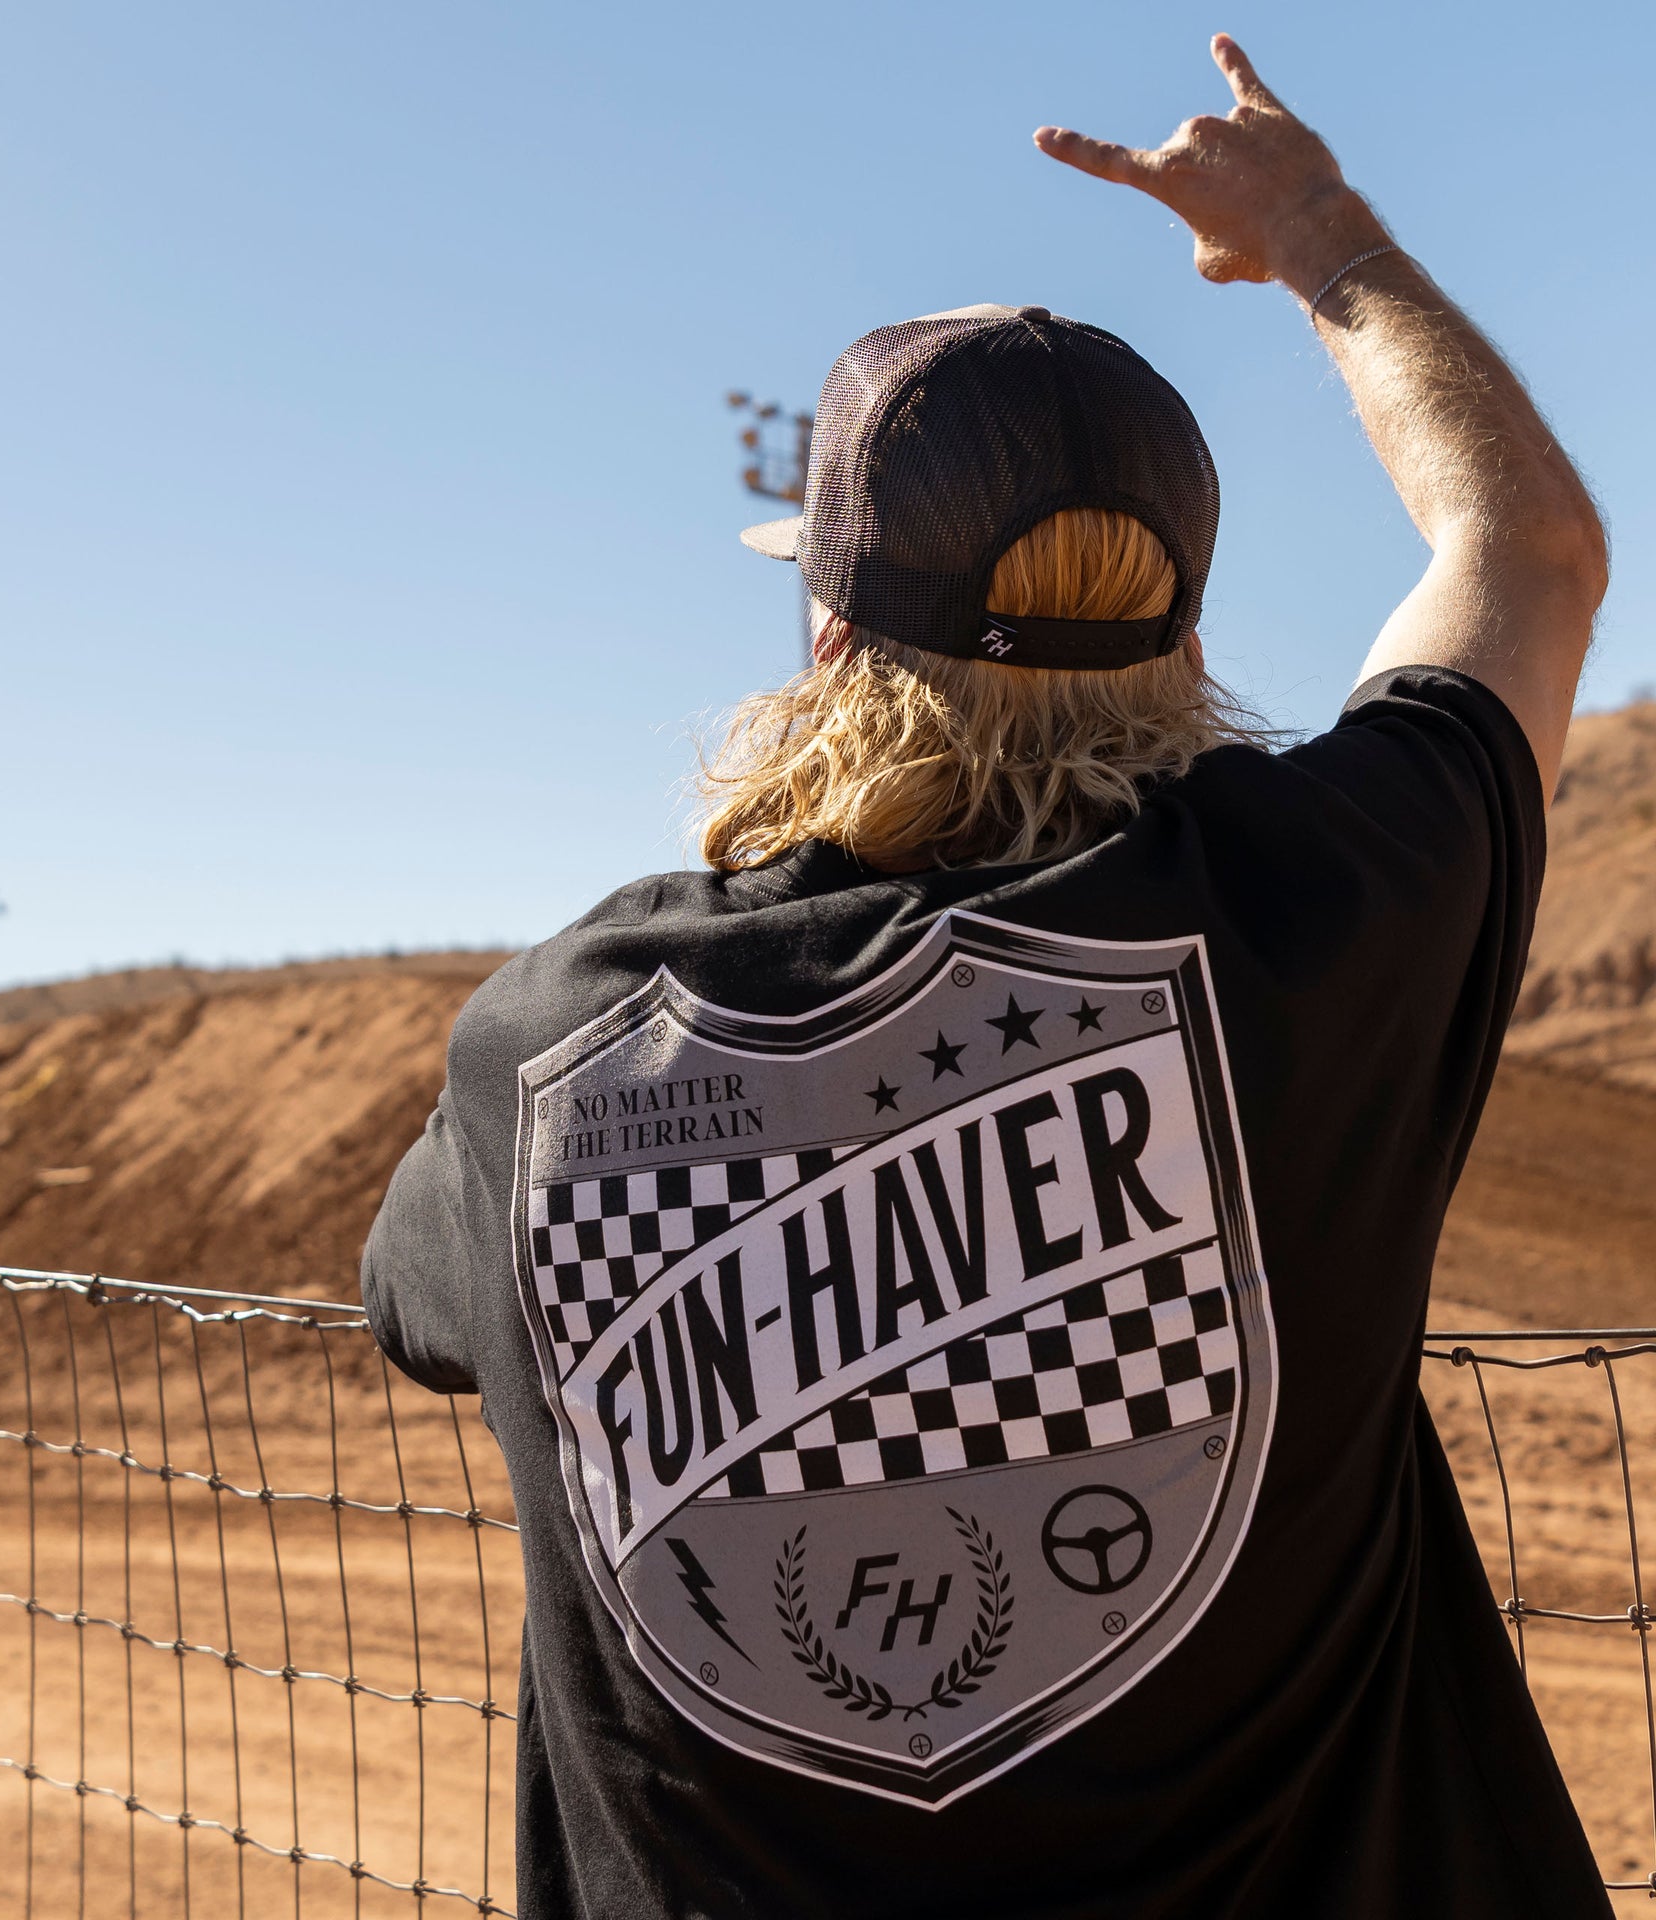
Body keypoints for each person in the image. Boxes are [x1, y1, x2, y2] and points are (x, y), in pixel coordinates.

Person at [362, 35, 1608, 1919]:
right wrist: (1318, 234)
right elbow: (1526, 548)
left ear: (831, 626)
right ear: (1184, 623)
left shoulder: (548, 1043)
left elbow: (413, 1300)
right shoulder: (1323, 909)